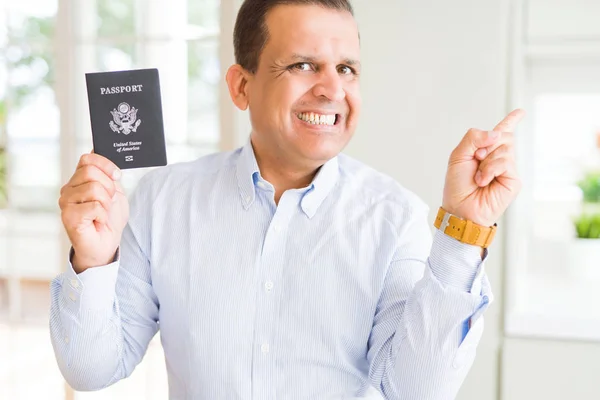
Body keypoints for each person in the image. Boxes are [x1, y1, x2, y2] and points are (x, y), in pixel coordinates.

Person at [50, 0, 524, 399]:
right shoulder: (162, 201)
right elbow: (92, 369)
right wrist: (92, 259)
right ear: (241, 85)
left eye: (347, 69)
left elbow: (413, 389)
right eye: (302, 65)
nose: (333, 89)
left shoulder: (396, 218)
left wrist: (463, 232)